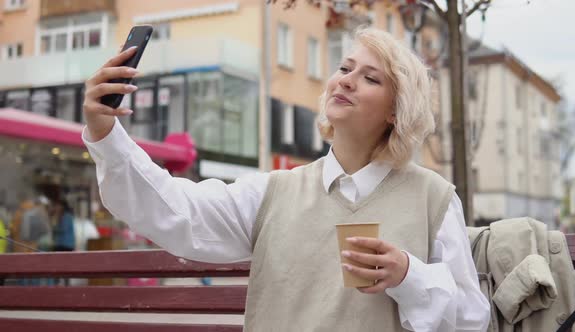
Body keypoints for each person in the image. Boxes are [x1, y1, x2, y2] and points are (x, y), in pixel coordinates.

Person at [81, 27, 490, 331]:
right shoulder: (274, 192)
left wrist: (407, 275)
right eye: (345, 68)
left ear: (396, 111)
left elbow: (472, 319)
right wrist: (105, 133)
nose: (346, 79)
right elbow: (178, 210)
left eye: (370, 77)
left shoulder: (432, 198)